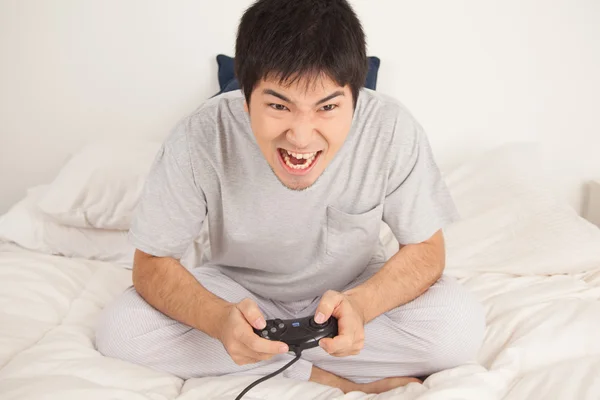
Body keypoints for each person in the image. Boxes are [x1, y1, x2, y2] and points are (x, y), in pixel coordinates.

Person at [96, 0, 485, 394]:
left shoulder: (392, 127)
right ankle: (324, 374)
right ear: (245, 98)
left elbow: (426, 249)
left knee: (459, 326)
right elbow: (151, 263)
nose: (301, 137)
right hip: (236, 294)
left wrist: (362, 307)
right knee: (122, 331)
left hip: (350, 292)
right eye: (279, 105)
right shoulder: (199, 134)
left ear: (357, 98)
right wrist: (217, 319)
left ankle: (265, 358)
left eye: (327, 107)